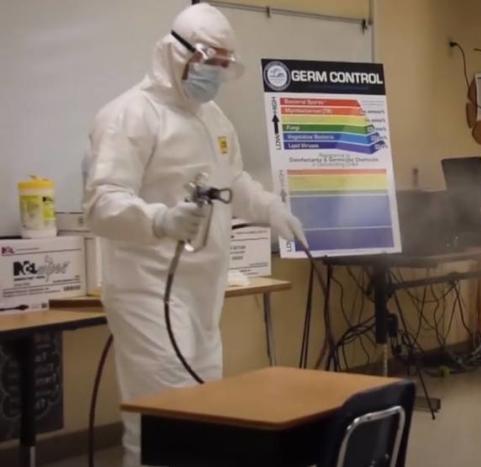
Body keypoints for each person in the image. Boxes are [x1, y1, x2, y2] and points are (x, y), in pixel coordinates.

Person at [83, 4, 306, 465]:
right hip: (148, 291)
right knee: (165, 421)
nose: (213, 74)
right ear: (174, 53)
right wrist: (159, 220)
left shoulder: (214, 118)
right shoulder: (129, 116)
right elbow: (101, 204)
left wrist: (271, 209)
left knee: (206, 414)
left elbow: (234, 182)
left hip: (204, 294)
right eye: (209, 61)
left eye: (223, 65)